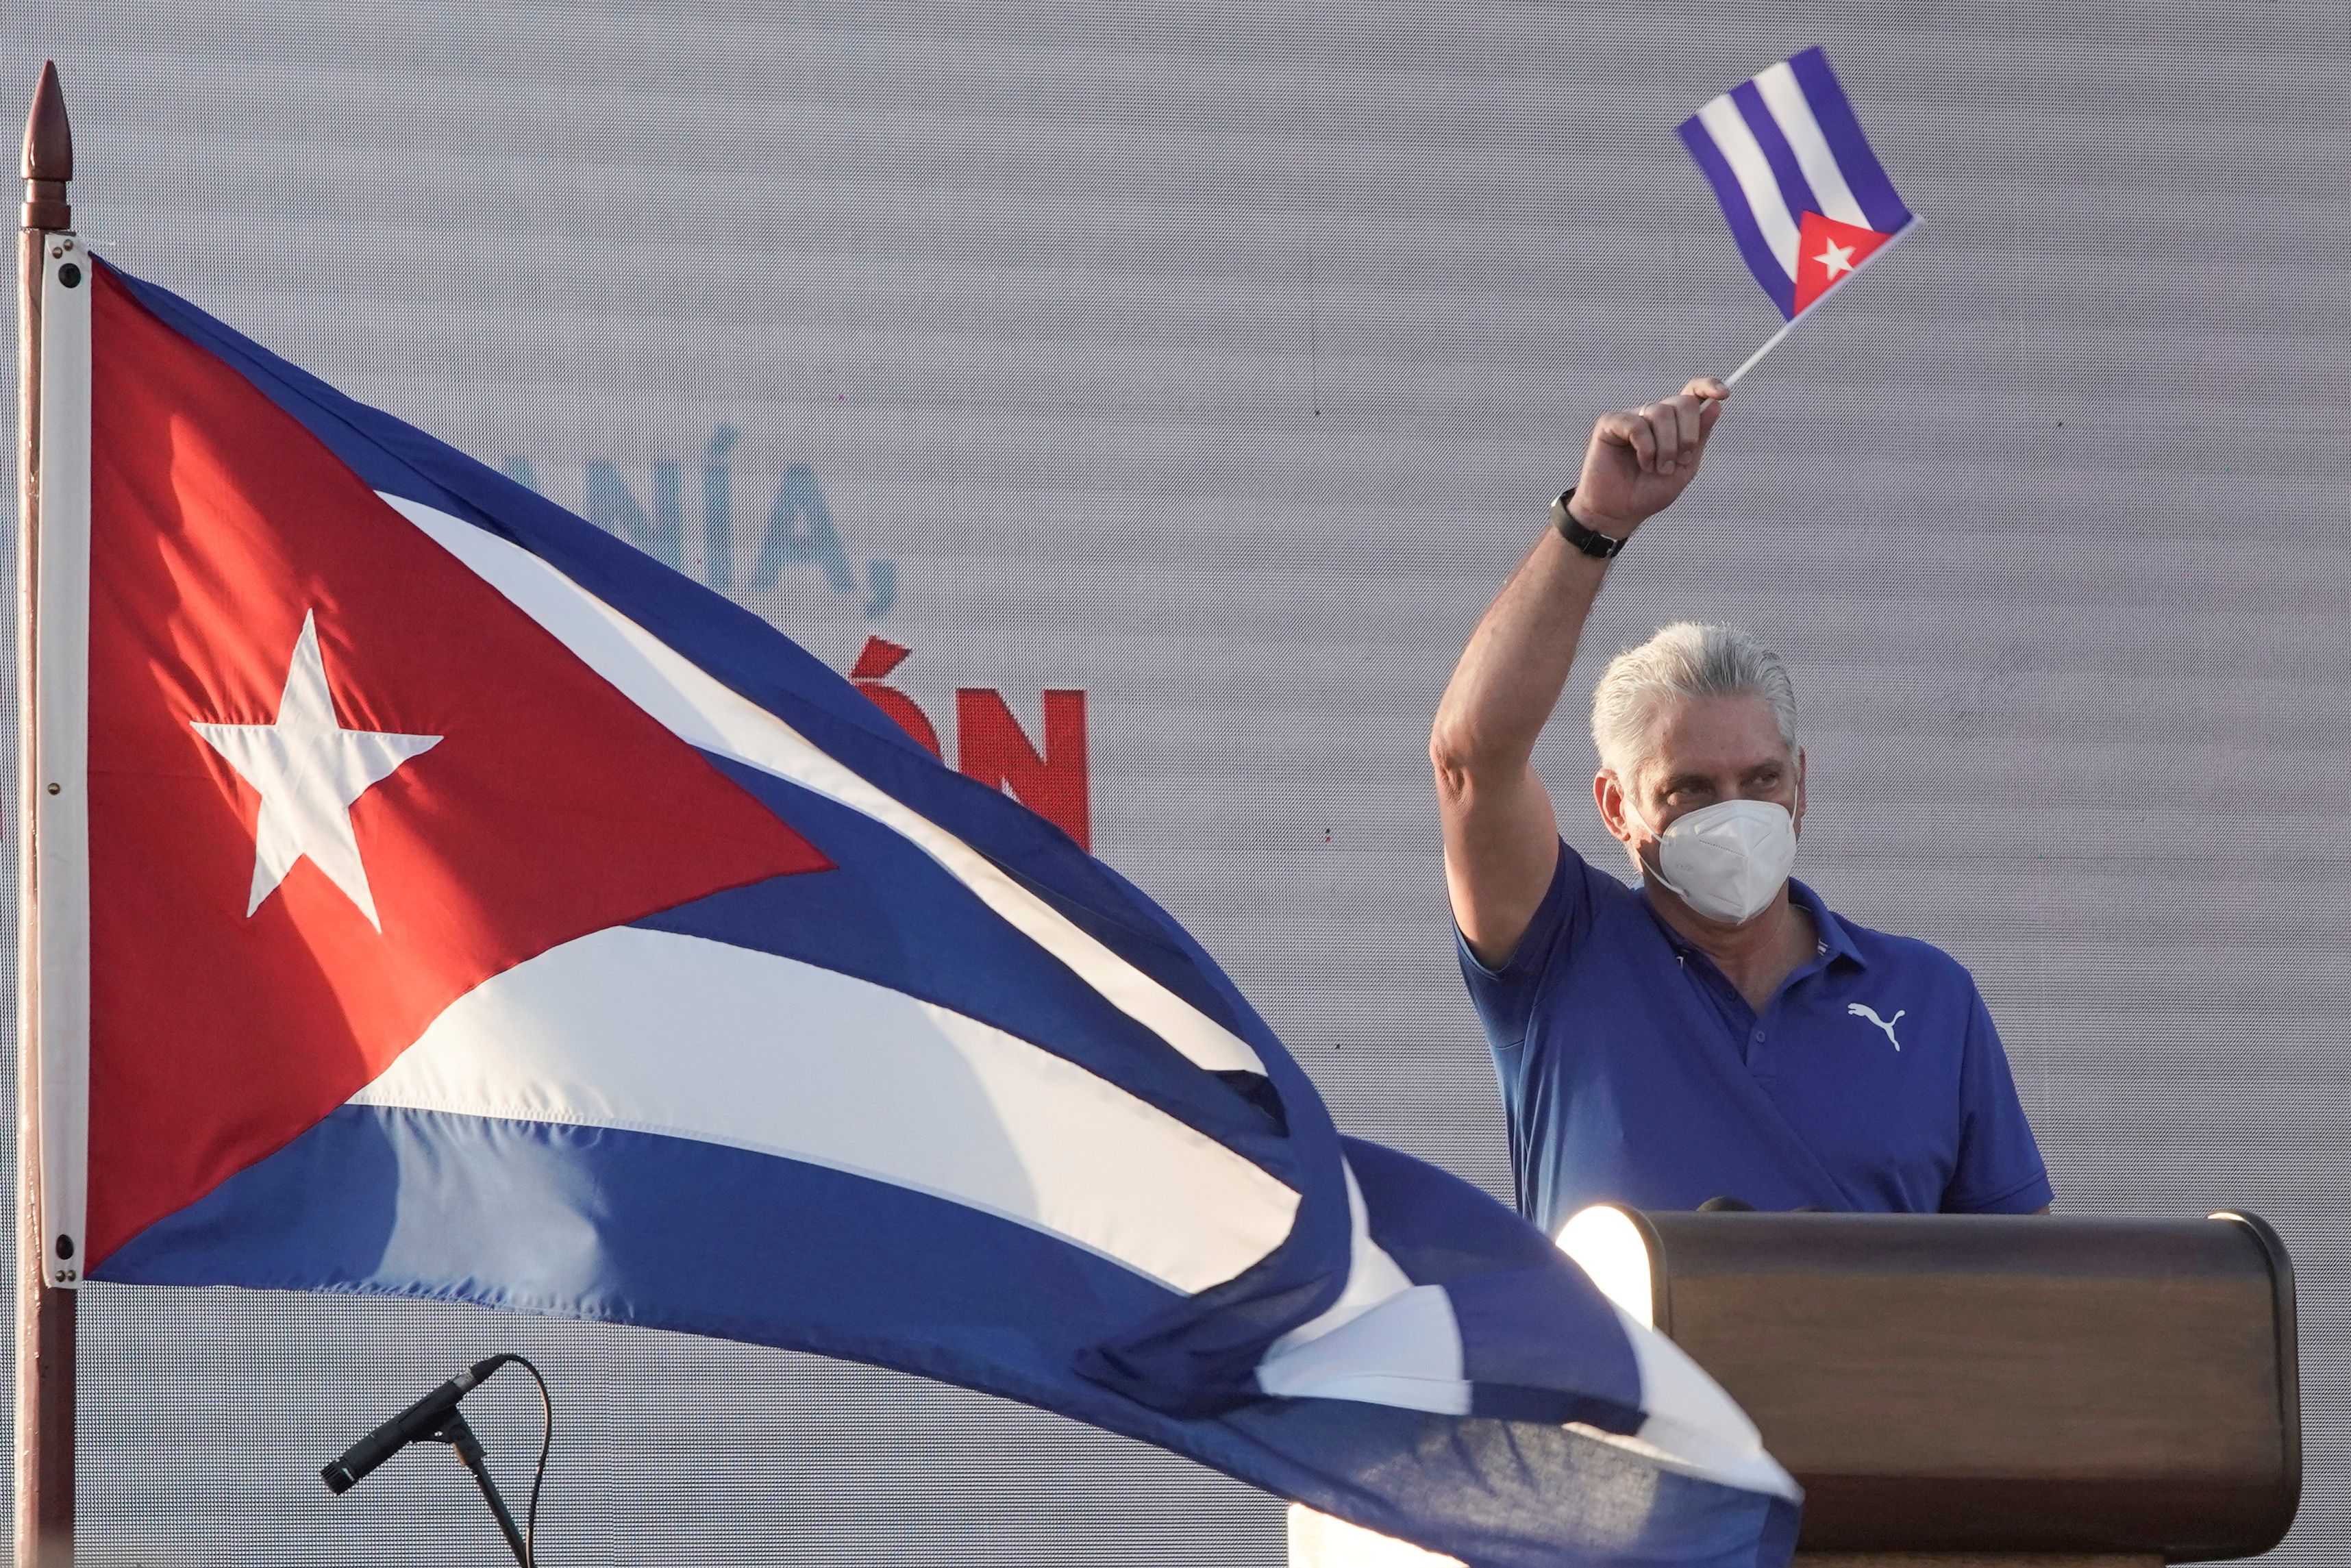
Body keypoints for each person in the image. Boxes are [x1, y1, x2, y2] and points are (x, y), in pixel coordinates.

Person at [1429, 376, 2050, 1234]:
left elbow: (2028, 1292)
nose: (1736, 810)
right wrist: (1594, 523)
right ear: (1617, 808)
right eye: (1689, 790)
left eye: (1760, 779)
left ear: (1801, 783)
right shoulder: (1561, 960)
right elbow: (1471, 758)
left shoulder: (1930, 999)